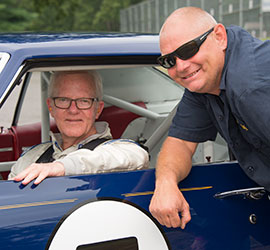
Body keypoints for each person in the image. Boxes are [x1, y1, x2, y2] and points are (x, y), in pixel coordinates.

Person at [149, 6, 270, 230]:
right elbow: (181, 143)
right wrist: (165, 182)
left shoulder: (251, 87)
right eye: (169, 61)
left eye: (188, 50)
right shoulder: (203, 85)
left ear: (220, 37)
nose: (181, 66)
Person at [8, 70, 149, 185]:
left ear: (98, 109)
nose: (73, 110)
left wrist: (62, 167)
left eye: (83, 101)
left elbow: (137, 158)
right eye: (63, 100)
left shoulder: (121, 150)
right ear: (51, 107)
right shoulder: (30, 158)